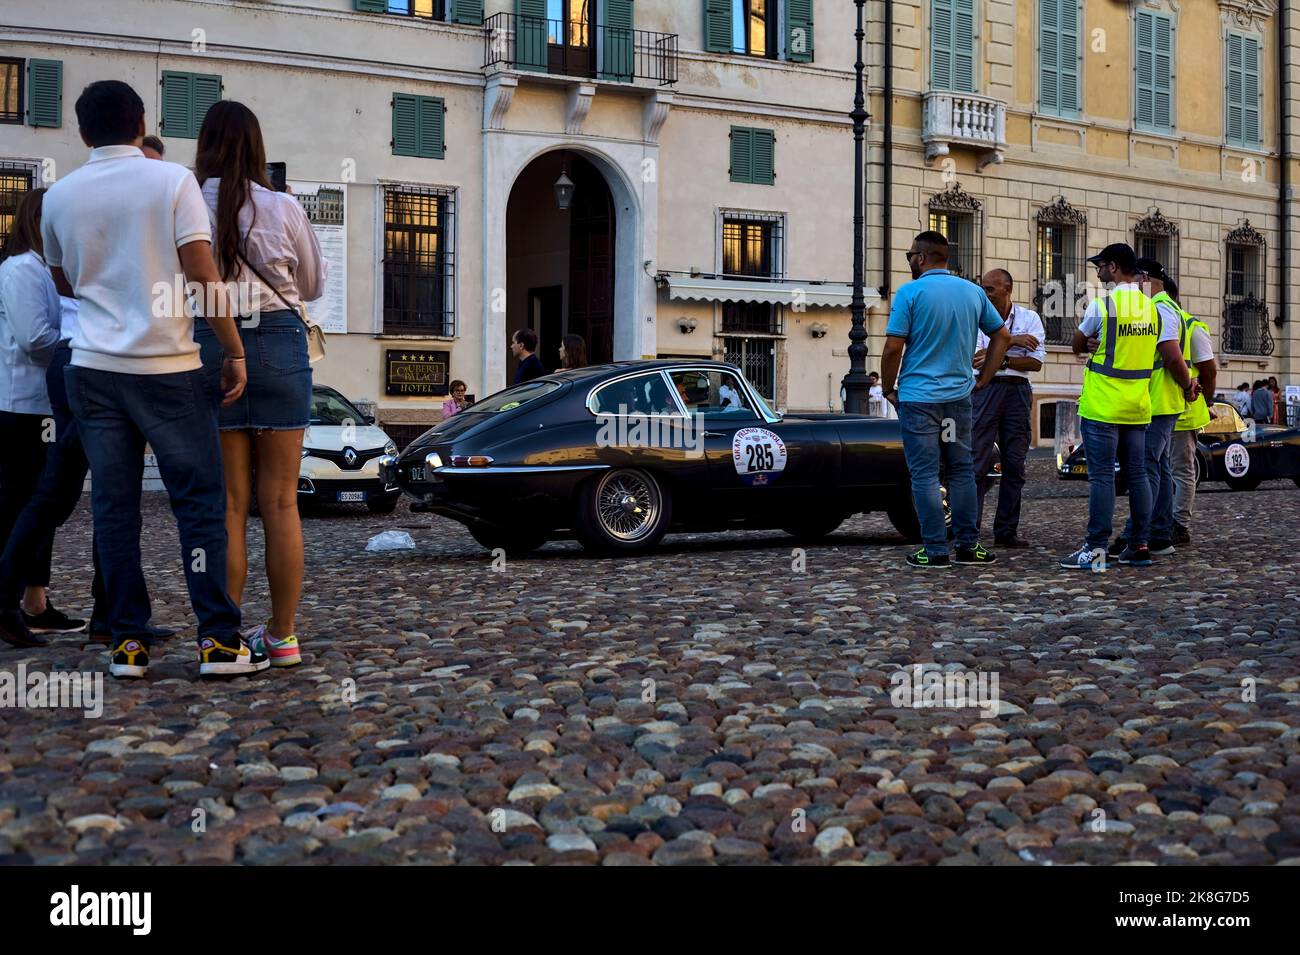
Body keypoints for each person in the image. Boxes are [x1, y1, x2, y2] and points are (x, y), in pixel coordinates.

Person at [42, 79, 265, 679]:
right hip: (167, 366)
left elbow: (63, 282)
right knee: (197, 505)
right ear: (141, 122)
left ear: (82, 130)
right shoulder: (172, 182)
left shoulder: (58, 197)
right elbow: (201, 272)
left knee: (115, 510)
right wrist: (234, 349)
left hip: (92, 368)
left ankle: (127, 643)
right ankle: (218, 640)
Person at [193, 100, 325, 670]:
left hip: (213, 339)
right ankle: (284, 634)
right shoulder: (282, 205)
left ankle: (227, 633)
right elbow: (315, 284)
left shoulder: (189, 201)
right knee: (280, 501)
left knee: (228, 503)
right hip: (279, 340)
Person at [1059, 244, 1196, 570]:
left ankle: (1095, 549)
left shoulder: (1103, 305)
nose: (1098, 272)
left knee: (1103, 478)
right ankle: (1140, 545)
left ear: (1115, 268)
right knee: (1139, 475)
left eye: (1101, 266)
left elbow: (1078, 343)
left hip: (1103, 405)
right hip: (1138, 405)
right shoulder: (1155, 308)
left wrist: (1088, 342)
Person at [880, 230, 1010, 569]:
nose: (909, 261)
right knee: (961, 470)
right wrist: (984, 377)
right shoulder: (972, 292)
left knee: (924, 475)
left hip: (919, 399)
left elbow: (894, 346)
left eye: (910, 256)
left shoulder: (910, 292)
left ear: (921, 258)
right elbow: (1002, 335)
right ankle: (968, 546)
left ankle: (935, 550)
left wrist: (887, 387)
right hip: (957, 399)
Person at [0, 189, 86, 647]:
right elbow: (35, 340)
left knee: (43, 501)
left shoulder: (43, 271)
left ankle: (35, 601)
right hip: (22, 406)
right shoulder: (21, 271)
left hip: (41, 404)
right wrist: (79, 347)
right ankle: (11, 600)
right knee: (21, 505)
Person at [1108, 258, 1196, 557]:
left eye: (1137, 279)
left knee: (1146, 467)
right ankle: (1160, 534)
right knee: (1160, 466)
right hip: (1161, 399)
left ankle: (1138, 534)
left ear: (1146, 278)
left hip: (1160, 399)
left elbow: (1171, 356)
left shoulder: (1159, 308)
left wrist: (1187, 385)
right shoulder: (1167, 308)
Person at [970, 268, 1045, 548]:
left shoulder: (1030, 318)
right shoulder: (977, 319)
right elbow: (976, 359)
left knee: (1015, 464)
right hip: (984, 389)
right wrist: (1012, 341)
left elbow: (1035, 362)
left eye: (990, 288)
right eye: (983, 288)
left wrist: (999, 359)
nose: (984, 293)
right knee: (977, 460)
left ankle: (1006, 531)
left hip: (1016, 391)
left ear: (1007, 289)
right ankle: (970, 529)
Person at [1166, 276, 1215, 546]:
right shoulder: (1156, 321)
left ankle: (1180, 524)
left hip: (1185, 412)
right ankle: (1165, 520)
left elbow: (1208, 370)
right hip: (1161, 409)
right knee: (1165, 469)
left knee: (1181, 469)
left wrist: (1207, 401)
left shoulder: (1192, 326)